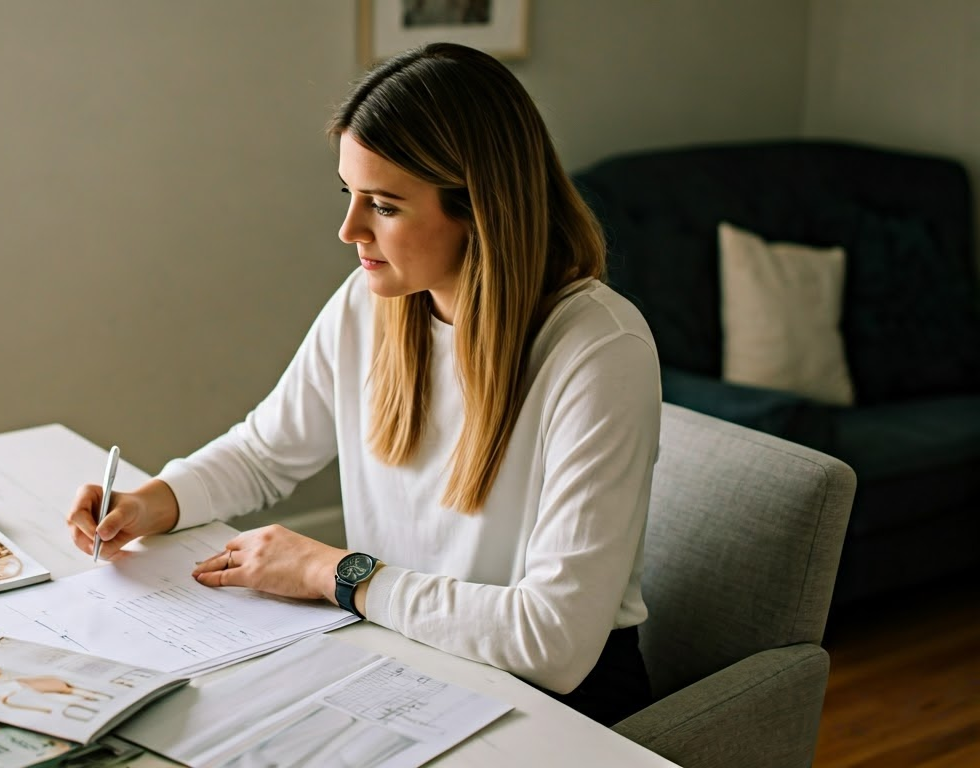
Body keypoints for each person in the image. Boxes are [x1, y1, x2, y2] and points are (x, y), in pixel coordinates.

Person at [66, 42, 658, 726]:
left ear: (480, 208)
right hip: (410, 654)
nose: (349, 230)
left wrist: (333, 573)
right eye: (349, 195)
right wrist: (153, 501)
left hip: (557, 705)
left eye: (383, 205)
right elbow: (264, 451)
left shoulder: (598, 350)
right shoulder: (370, 304)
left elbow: (551, 642)